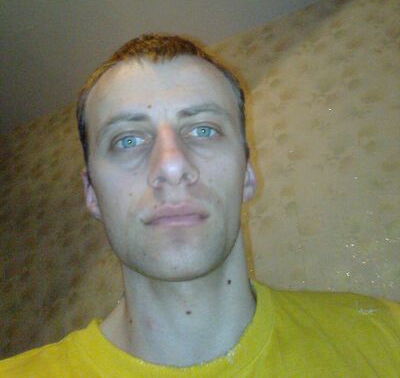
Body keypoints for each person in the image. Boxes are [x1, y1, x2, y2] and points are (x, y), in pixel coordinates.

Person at [1, 33, 399, 377]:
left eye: (204, 130)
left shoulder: (387, 336)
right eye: (127, 140)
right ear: (91, 192)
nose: (172, 165)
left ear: (247, 173)